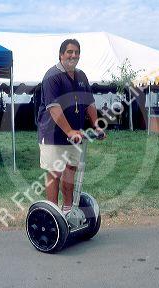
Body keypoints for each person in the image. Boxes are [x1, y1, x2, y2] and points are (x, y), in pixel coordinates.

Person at [37, 39, 105, 214]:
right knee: (54, 174)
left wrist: (97, 126)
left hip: (75, 134)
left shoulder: (81, 76)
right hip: (53, 135)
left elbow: (89, 102)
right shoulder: (52, 76)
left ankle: (68, 210)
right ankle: (53, 214)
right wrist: (68, 131)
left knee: (70, 171)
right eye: (69, 52)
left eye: (76, 52)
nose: (73, 55)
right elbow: (54, 107)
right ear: (61, 54)